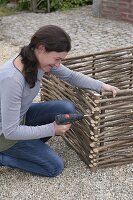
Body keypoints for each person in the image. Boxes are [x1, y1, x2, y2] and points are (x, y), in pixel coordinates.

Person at [0, 25, 119, 177]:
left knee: (66, 108)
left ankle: (29, 146)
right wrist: (51, 129)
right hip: (4, 135)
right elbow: (10, 131)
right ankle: (4, 157)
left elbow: (71, 76)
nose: (58, 64)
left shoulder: (35, 59)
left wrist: (101, 86)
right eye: (57, 59)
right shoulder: (12, 79)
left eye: (61, 60)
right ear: (41, 48)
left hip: (19, 117)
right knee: (54, 167)